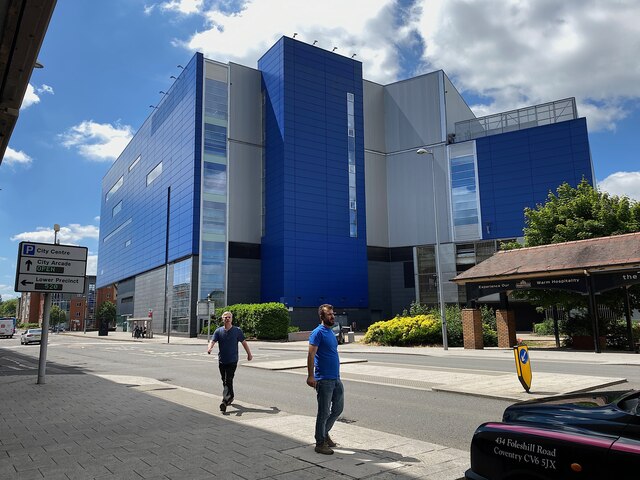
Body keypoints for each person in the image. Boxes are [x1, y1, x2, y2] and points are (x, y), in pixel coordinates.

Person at [307, 304, 344, 455]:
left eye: (333, 314)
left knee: (337, 409)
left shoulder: (330, 332)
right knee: (323, 412)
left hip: (336, 378)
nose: (332, 316)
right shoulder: (317, 332)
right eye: (329, 314)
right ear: (322, 317)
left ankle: (325, 432)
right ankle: (320, 443)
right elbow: (311, 355)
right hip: (323, 379)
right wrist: (311, 375)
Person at [207, 311, 253, 412]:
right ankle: (230, 397)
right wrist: (210, 348)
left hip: (232, 360)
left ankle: (224, 401)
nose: (227, 319)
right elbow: (212, 341)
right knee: (224, 380)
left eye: (229, 317)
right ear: (222, 319)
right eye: (225, 317)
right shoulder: (218, 331)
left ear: (231, 319)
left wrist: (249, 354)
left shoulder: (237, 331)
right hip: (222, 360)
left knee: (228, 379)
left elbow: (244, 343)